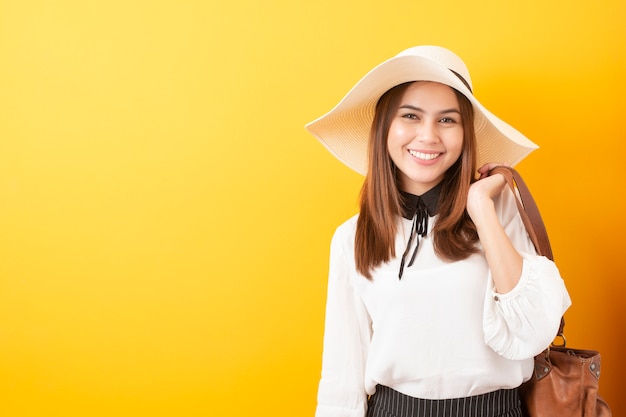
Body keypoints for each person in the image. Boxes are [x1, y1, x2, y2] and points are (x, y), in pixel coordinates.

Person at [305, 46, 572, 417]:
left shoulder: (497, 212)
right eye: (411, 115)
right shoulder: (352, 238)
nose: (428, 136)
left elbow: (534, 331)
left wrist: (480, 208)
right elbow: (341, 379)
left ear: (465, 135)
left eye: (447, 120)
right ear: (385, 126)